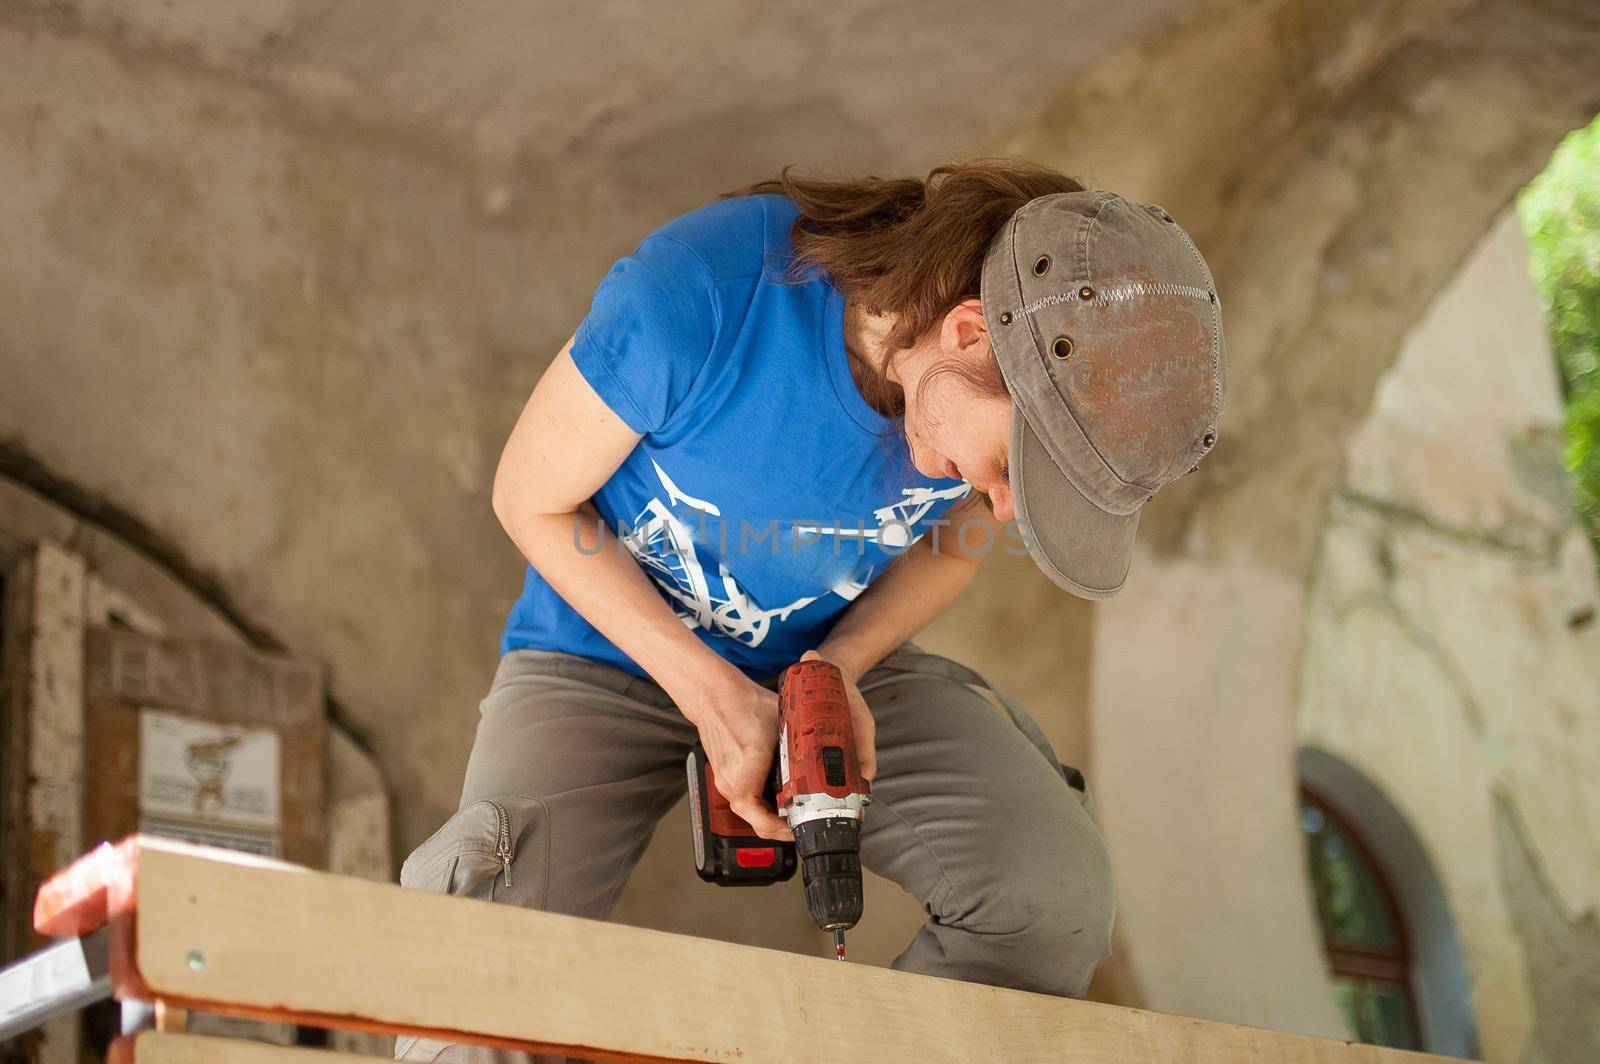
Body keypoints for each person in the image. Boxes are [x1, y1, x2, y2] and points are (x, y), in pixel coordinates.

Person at [396, 159, 1226, 1063]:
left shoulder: (962, 402)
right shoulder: (703, 295)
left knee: (1050, 900)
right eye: (1009, 470)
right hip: (604, 647)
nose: (1002, 507)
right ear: (968, 332)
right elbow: (530, 500)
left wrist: (838, 668)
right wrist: (713, 694)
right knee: (473, 971)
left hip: (824, 651)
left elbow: (950, 553)